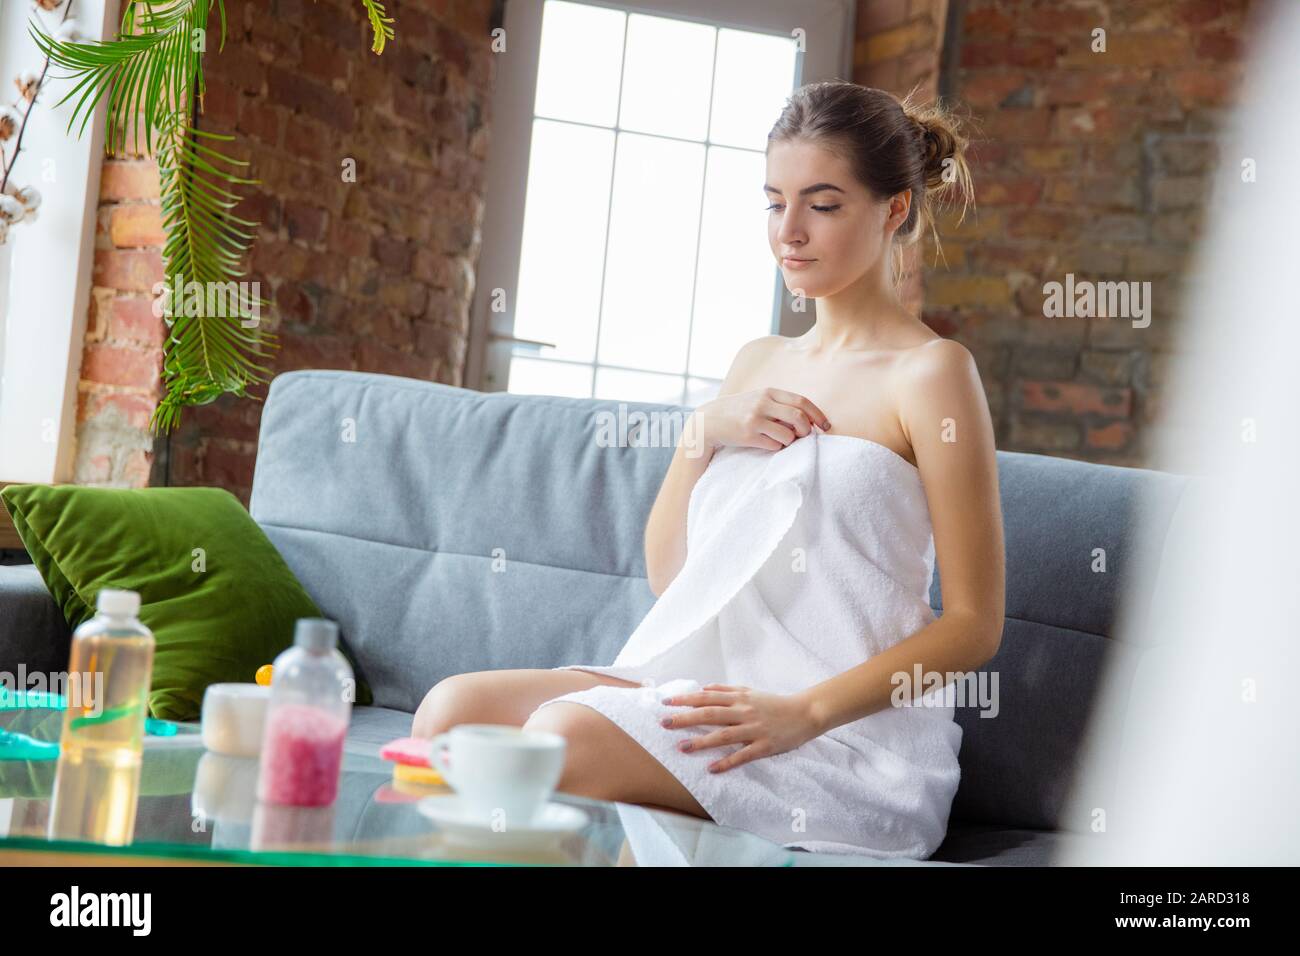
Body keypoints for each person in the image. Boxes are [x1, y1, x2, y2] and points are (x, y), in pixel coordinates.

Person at [412, 80, 1006, 859]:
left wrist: (804, 711)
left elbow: (974, 625)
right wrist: (701, 434)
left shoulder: (932, 373)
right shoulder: (756, 363)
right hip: (706, 684)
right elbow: (675, 581)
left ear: (893, 210)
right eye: (774, 202)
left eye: (822, 205)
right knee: (452, 711)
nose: (788, 232)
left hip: (838, 735)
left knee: (560, 734)